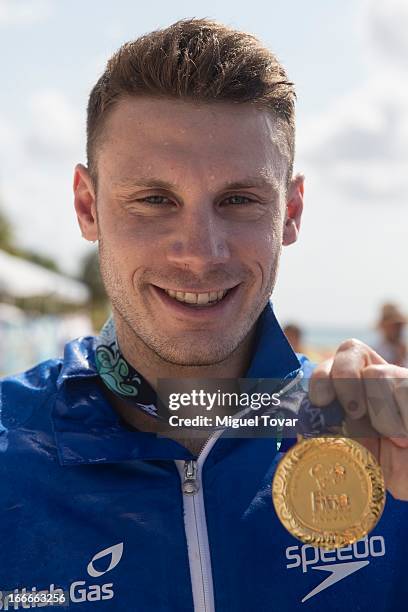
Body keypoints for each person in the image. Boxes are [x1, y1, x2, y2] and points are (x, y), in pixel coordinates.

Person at [1, 19, 408, 611]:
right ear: (88, 207)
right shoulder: (13, 450)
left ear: (290, 212)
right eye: (154, 200)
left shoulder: (379, 448)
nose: (200, 252)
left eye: (239, 200)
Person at [374, 302, 408, 367]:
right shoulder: (375, 351)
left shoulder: (404, 347)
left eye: (400, 325)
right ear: (384, 326)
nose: (398, 329)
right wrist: (400, 357)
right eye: (394, 325)